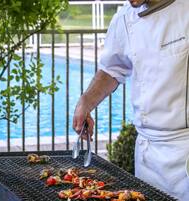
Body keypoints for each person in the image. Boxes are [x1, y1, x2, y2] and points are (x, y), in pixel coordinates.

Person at [72, 0, 189, 200]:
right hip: (146, 152)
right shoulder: (125, 17)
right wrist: (86, 101)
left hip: (184, 150)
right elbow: (112, 69)